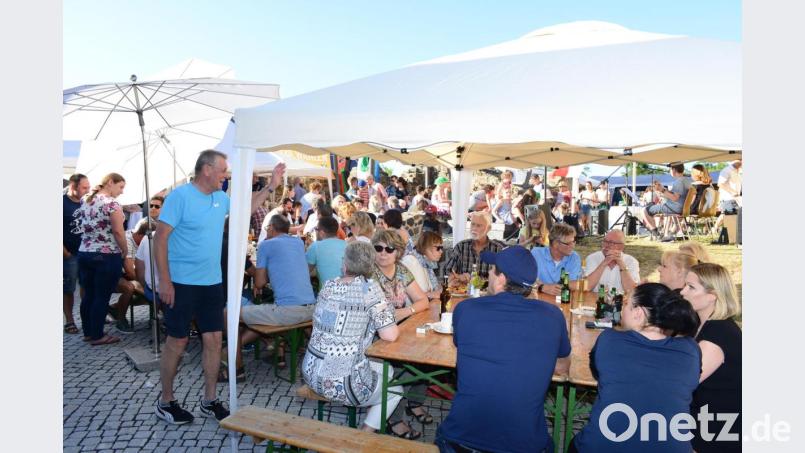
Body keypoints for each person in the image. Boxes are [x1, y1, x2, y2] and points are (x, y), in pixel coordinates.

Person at [154, 150, 285, 424]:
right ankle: (166, 401)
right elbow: (161, 239)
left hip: (211, 283)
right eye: (223, 170)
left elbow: (244, 209)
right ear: (206, 170)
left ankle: (209, 400)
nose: (226, 176)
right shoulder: (179, 197)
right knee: (177, 341)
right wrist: (164, 281)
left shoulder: (220, 198)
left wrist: (271, 186)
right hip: (180, 282)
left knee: (213, 340)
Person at [436, 246, 571, 453]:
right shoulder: (553, 316)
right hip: (525, 446)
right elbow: (562, 368)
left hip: (461, 442)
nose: (488, 273)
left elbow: (463, 347)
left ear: (501, 279)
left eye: (492, 269)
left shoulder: (465, 309)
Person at [569, 283, 701, 453]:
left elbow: (597, 373)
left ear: (638, 313)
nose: (621, 309)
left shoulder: (609, 340)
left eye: (625, 304)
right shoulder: (690, 350)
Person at [301, 242, 413, 437]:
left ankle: (373, 414)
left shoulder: (329, 285)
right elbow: (390, 335)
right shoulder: (370, 289)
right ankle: (365, 434)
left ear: (344, 265)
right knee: (395, 388)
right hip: (342, 382)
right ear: (371, 267)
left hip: (311, 371)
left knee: (388, 371)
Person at [228, 214, 317, 380]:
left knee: (230, 313)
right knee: (269, 309)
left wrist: (267, 273)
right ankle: (278, 353)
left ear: (271, 228)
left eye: (267, 227)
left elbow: (260, 282)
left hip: (288, 312)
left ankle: (232, 360)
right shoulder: (298, 242)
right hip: (311, 308)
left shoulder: (265, 245)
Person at [680, 263, 742, 452]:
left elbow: (681, 384)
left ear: (712, 295)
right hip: (706, 417)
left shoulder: (717, 335)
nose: (683, 292)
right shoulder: (703, 324)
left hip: (716, 430)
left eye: (691, 287)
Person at [73, 172, 128, 346]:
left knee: (88, 294)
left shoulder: (86, 200)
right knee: (102, 296)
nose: (122, 192)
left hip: (85, 252)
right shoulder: (111, 204)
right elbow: (119, 232)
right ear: (110, 182)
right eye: (120, 187)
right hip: (106, 254)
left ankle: (88, 332)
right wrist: (125, 250)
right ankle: (98, 335)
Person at [108, 219, 151, 333]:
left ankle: (114, 308)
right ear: (141, 235)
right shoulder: (127, 240)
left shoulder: (142, 239)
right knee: (131, 288)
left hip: (130, 273)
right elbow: (129, 271)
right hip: (113, 273)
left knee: (147, 290)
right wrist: (145, 284)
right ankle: (121, 320)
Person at [445, 211, 506, 284]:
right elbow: (448, 270)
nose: (474, 228)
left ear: (488, 228)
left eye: (478, 225)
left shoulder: (497, 249)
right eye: (472, 224)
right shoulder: (461, 246)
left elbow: (504, 277)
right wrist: (458, 276)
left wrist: (479, 282)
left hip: (488, 293)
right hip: (463, 293)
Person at [63, 173, 90, 335]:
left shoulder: (87, 202)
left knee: (87, 286)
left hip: (87, 251)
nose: (88, 190)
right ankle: (70, 320)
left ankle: (87, 316)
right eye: (84, 187)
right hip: (70, 254)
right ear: (73, 187)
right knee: (68, 288)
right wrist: (64, 252)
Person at [639, 162, 692, 241]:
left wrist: (662, 190)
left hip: (675, 207)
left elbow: (675, 198)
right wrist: (663, 190)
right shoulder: (687, 180)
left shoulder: (678, 182)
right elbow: (677, 196)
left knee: (644, 210)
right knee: (650, 208)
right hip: (683, 207)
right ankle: (663, 234)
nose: (670, 171)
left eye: (670, 169)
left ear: (673, 170)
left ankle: (656, 234)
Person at [531, 223, 583, 296]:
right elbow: (524, 279)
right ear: (555, 244)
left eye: (573, 242)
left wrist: (548, 286)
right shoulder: (536, 254)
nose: (573, 246)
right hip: (538, 301)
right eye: (568, 243)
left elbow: (573, 284)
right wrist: (541, 287)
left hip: (563, 302)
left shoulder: (574, 257)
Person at [400, 231, 444, 299]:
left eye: (441, 248)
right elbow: (407, 296)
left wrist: (448, 283)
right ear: (426, 247)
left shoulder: (426, 262)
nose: (441, 251)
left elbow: (433, 290)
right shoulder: (410, 261)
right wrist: (430, 294)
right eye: (438, 248)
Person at [306, 216, 347, 285]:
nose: (315, 231)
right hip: (350, 291)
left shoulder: (316, 246)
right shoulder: (347, 244)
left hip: (328, 292)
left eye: (316, 229)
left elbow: (305, 271)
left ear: (322, 233)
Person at [713, 159, 742, 235]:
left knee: (726, 215)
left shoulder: (738, 171)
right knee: (729, 216)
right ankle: (719, 230)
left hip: (736, 198)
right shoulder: (726, 170)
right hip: (728, 198)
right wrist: (732, 192)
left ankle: (715, 229)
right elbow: (720, 184)